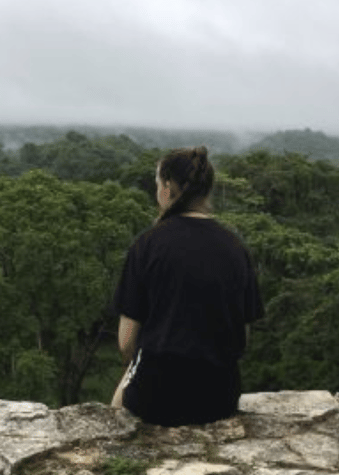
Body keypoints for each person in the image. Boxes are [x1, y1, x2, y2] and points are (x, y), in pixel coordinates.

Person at [110, 146, 265, 426]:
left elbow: (126, 342)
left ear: (168, 187)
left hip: (155, 397)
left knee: (115, 407)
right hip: (219, 397)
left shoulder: (148, 244)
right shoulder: (234, 247)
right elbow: (242, 338)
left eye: (158, 184)